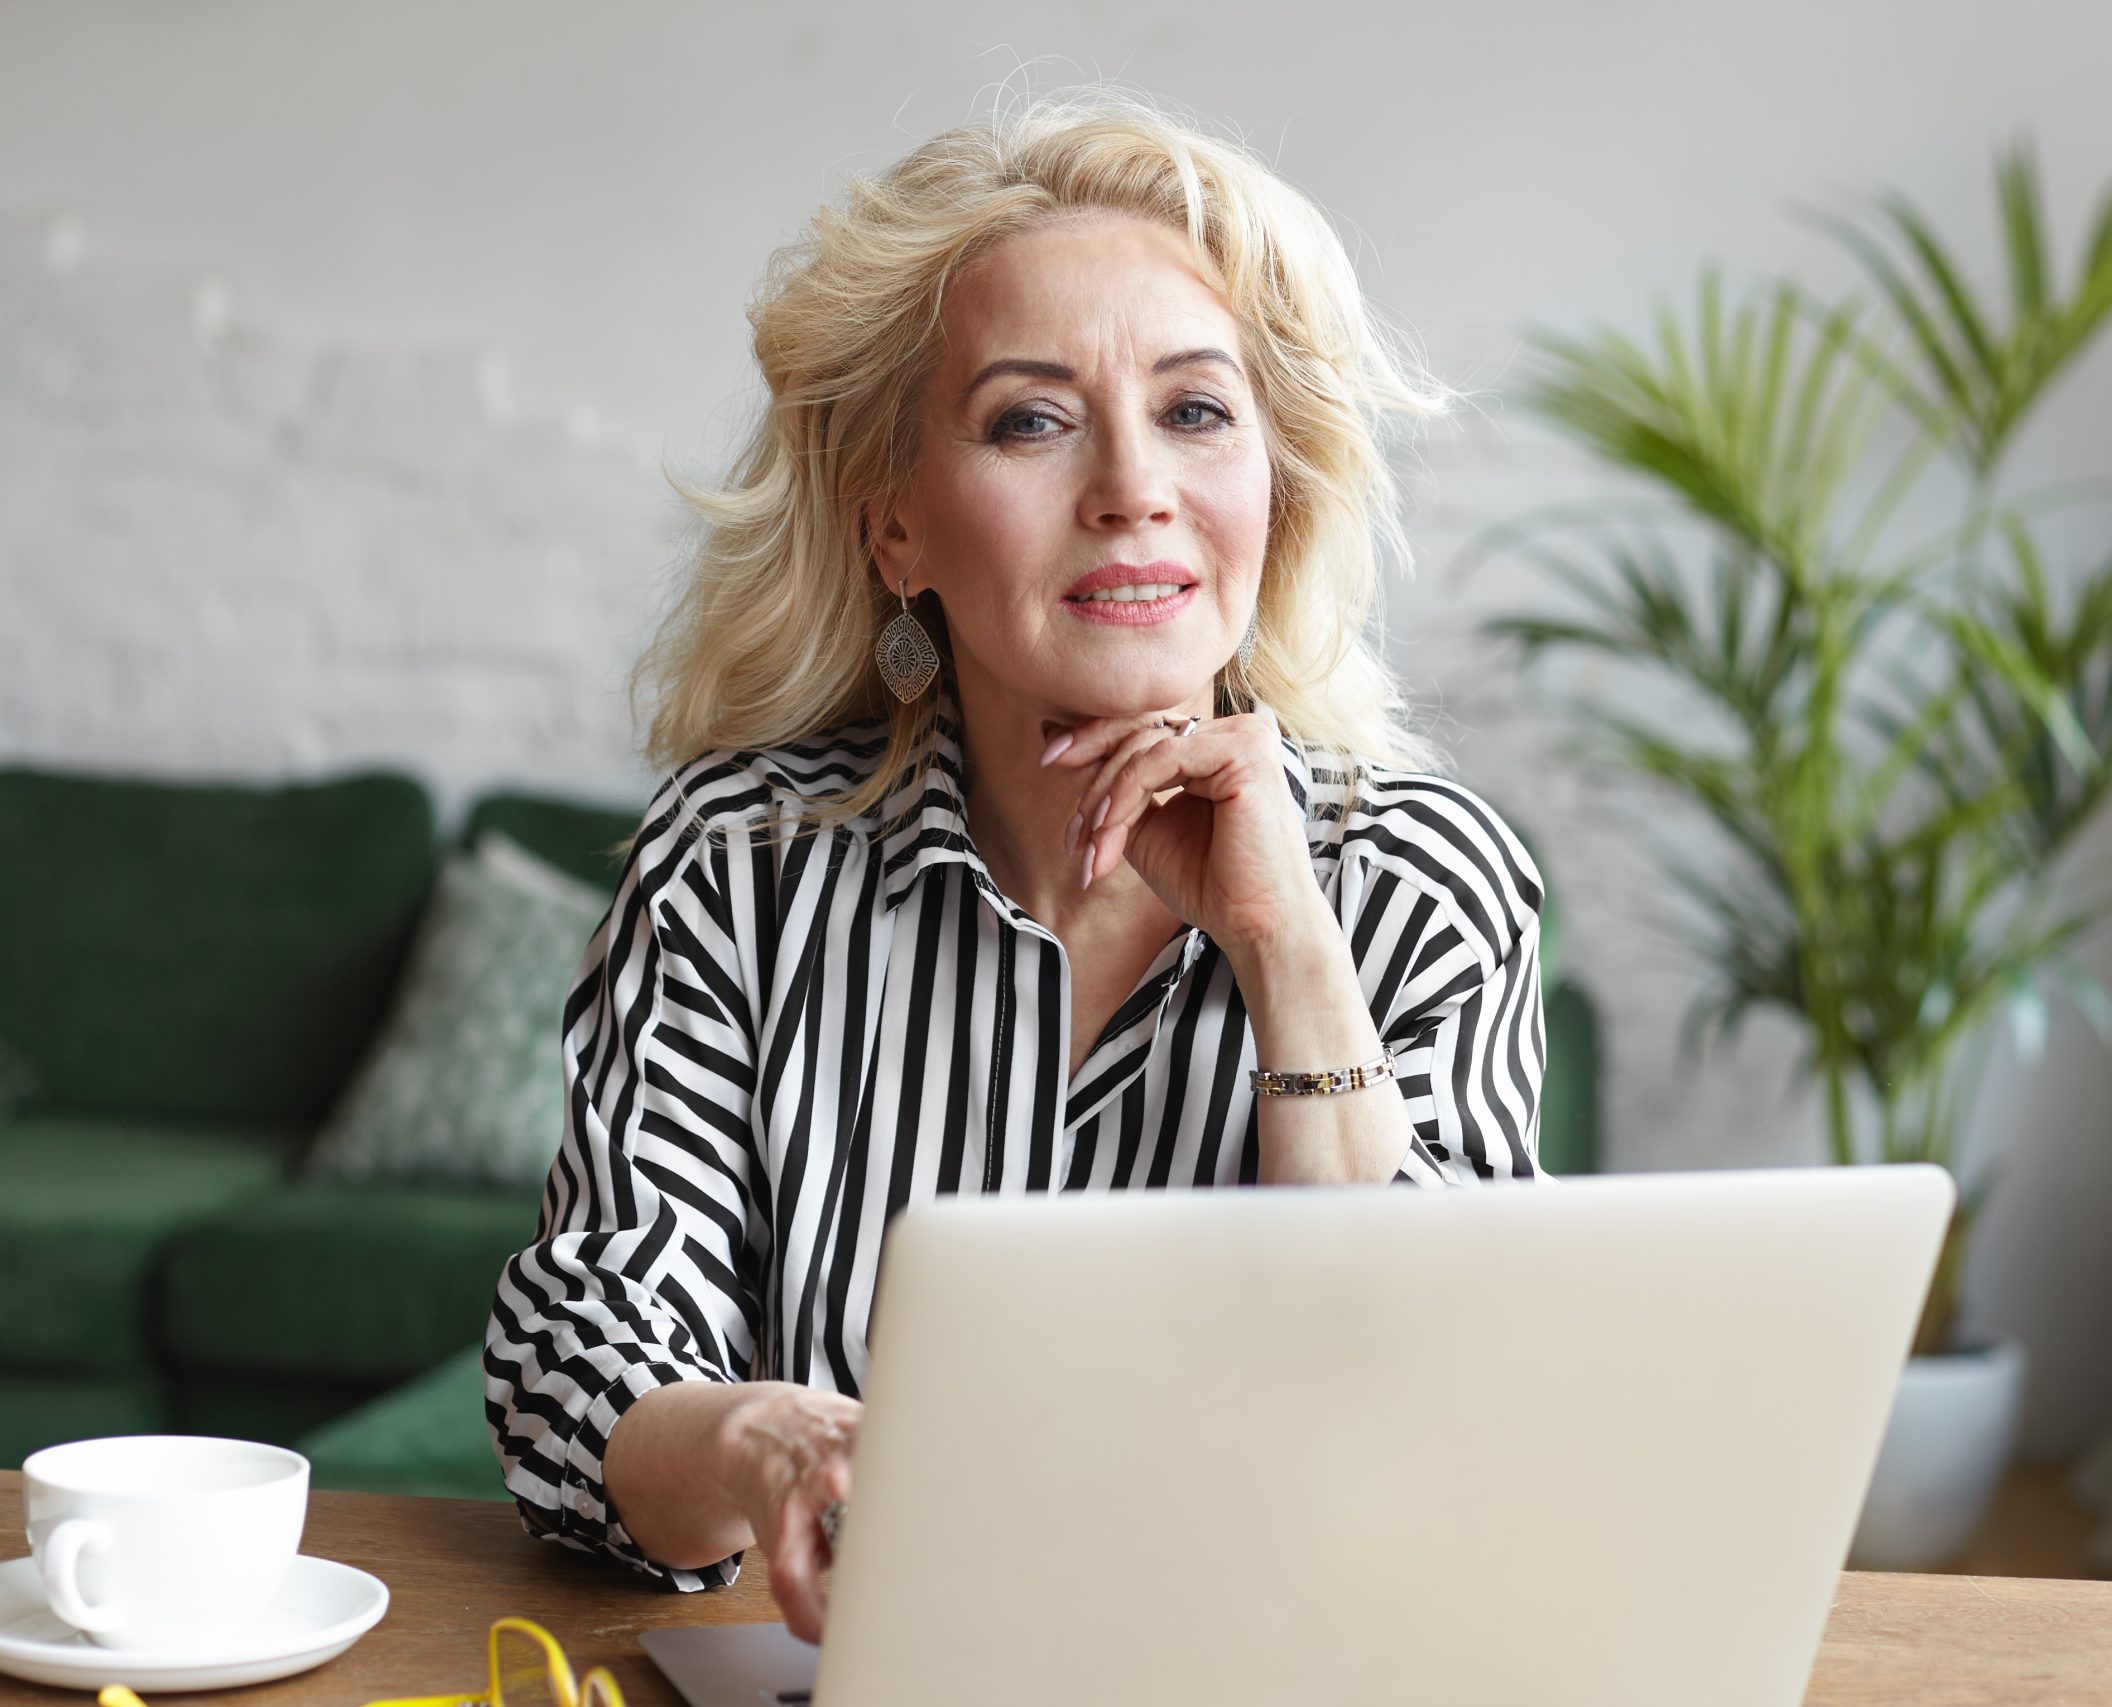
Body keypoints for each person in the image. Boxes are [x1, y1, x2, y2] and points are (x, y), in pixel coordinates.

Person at [484, 87, 1551, 1643]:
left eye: (1198, 411)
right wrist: (767, 1447)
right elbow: (579, 1362)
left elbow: (1436, 1433)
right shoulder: (741, 866)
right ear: (897, 528)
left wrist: (1288, 959)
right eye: (1031, 419)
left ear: (1277, 485)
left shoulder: (1422, 879)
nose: (1134, 489)